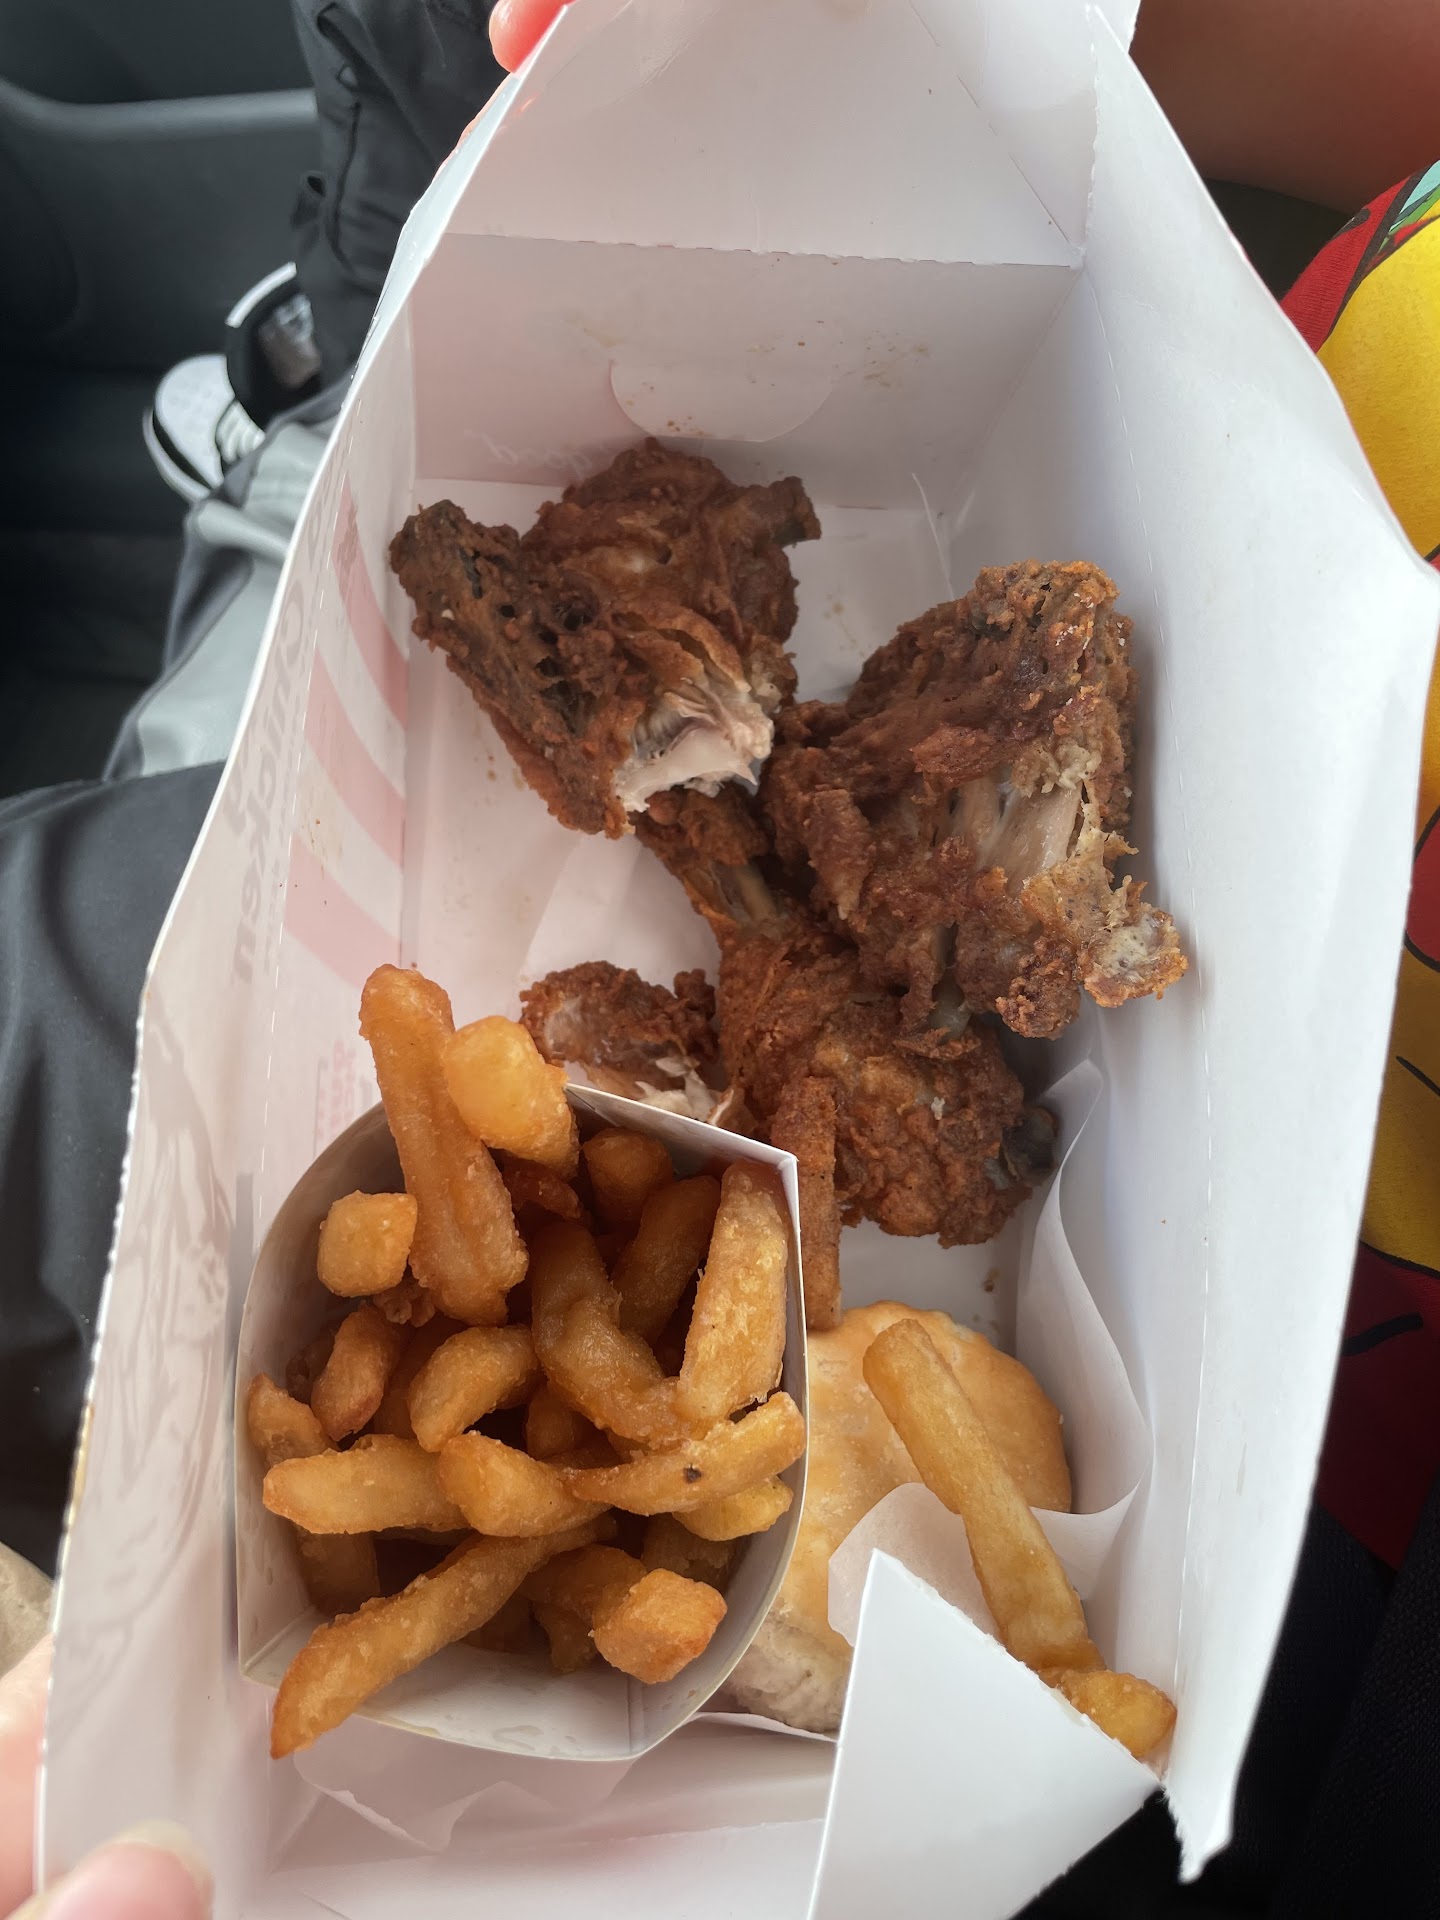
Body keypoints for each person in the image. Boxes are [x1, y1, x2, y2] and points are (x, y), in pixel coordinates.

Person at [2, 2, 1438, 1914]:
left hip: (1301, 1530)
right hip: (1167, 430)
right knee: (445, 43)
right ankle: (306, 425)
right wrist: (985, 35)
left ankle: (286, 450)